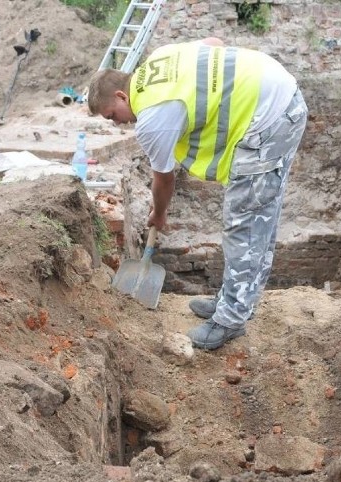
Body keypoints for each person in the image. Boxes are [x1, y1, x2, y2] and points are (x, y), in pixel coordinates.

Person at [87, 38, 308, 350]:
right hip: (278, 95)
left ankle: (231, 319)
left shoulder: (151, 117)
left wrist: (159, 214)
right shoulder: (159, 60)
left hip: (268, 118)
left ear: (122, 95)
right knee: (258, 215)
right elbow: (213, 43)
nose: (118, 124)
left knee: (243, 222)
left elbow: (163, 180)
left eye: (112, 115)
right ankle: (235, 299)